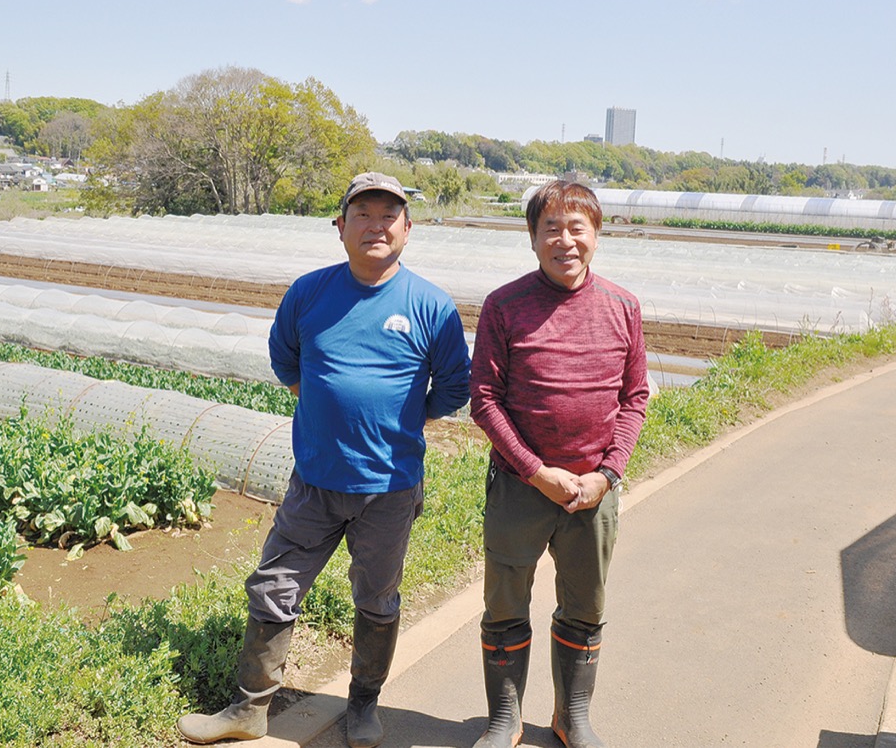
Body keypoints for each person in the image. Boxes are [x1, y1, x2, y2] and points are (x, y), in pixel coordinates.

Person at [177, 171, 471, 747]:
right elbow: (285, 360)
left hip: (389, 486)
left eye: (389, 215)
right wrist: (322, 404)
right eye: (363, 214)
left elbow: (455, 387)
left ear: (407, 230)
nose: (376, 225)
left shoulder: (430, 305)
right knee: (273, 587)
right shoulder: (309, 292)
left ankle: (362, 706)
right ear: (340, 227)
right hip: (313, 482)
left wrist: (405, 418)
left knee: (377, 598)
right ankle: (250, 707)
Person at [468, 180, 650, 748]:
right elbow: (485, 400)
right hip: (523, 487)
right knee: (504, 603)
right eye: (551, 228)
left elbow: (634, 397)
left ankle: (572, 716)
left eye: (577, 228)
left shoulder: (623, 307)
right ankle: (505, 720)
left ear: (596, 236)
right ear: (532, 238)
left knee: (585, 605)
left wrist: (607, 474)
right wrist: (535, 470)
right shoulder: (504, 306)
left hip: (592, 491)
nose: (565, 240)